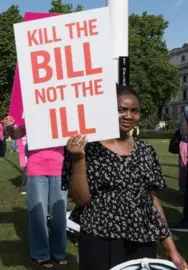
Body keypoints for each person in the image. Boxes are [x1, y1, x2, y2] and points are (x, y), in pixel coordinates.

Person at [62, 85, 187, 270]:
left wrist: (171, 250)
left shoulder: (145, 151)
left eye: (134, 111)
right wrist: (78, 159)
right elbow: (81, 199)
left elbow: (153, 203)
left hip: (142, 240)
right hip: (100, 238)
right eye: (121, 110)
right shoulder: (85, 148)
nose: (128, 116)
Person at [4, 116, 68, 268]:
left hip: (59, 167)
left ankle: (58, 253)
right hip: (36, 167)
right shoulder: (33, 110)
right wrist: (11, 127)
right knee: (38, 215)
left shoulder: (62, 110)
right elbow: (16, 134)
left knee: (59, 215)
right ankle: (41, 254)